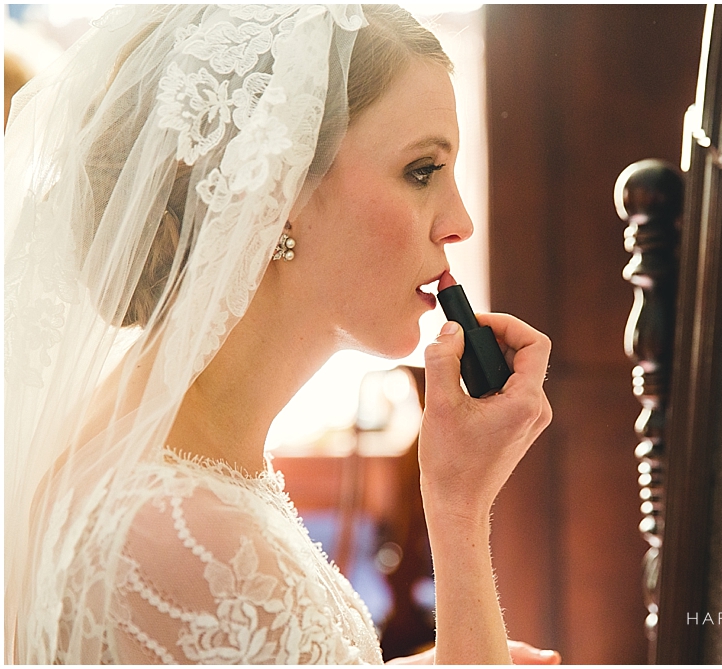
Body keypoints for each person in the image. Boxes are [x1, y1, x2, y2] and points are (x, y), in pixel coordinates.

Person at [4, 5, 556, 664]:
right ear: (279, 186)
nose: (459, 221)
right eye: (421, 170)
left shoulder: (168, 457)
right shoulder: (185, 534)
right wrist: (459, 505)